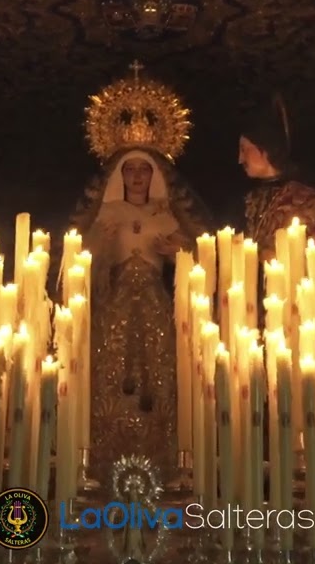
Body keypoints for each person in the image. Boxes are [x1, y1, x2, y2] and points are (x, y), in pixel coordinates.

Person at [70, 147, 213, 473]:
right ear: (119, 176)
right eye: (129, 169)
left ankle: (160, 454)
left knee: (158, 370)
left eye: (144, 170)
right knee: (111, 365)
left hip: (155, 303)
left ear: (155, 176)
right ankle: (107, 451)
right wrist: (99, 244)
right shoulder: (106, 212)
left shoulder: (164, 215)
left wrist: (180, 252)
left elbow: (198, 255)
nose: (136, 176)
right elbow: (79, 257)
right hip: (114, 303)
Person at [238, 95, 315, 259]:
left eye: (244, 149)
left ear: (265, 146)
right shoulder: (250, 200)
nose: (240, 159)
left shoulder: (305, 199)